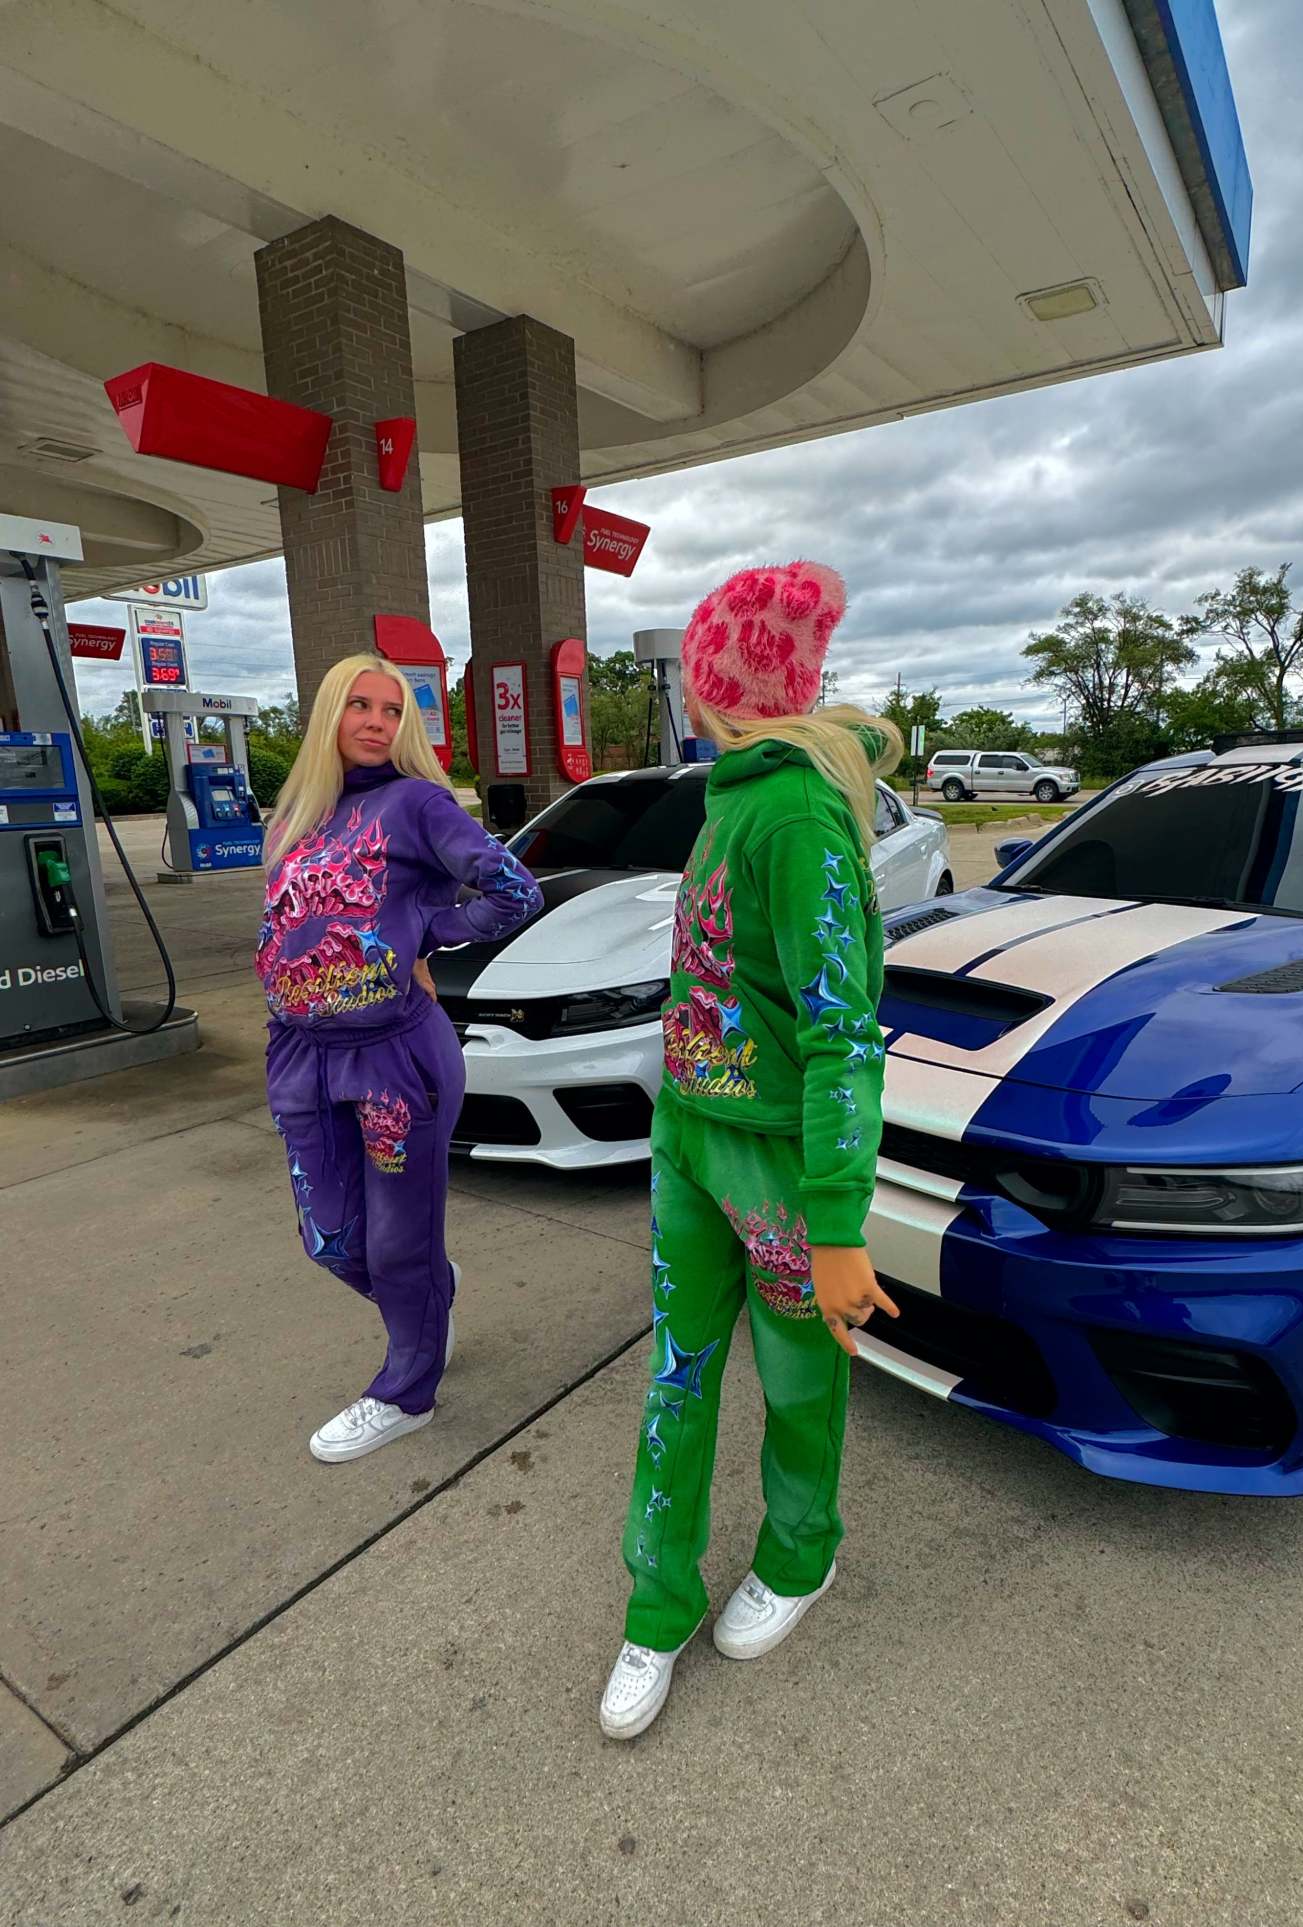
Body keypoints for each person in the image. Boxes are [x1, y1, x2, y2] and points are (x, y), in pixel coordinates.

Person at [600, 561, 903, 1740]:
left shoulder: (793, 814)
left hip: (776, 1166)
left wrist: (835, 1222)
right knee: (675, 1377)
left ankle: (797, 1552)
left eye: (694, 666)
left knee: (796, 1384)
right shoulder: (728, 799)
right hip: (688, 1141)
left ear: (712, 680)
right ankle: (655, 1602)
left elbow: (842, 1033)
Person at [256, 653, 542, 1463]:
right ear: (330, 714)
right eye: (361, 705)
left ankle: (406, 1391)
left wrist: (425, 931)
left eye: (392, 710)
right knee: (331, 1239)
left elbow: (515, 890)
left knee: (395, 1244)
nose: (377, 722)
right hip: (301, 1055)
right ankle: (427, 1289)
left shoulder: (416, 803)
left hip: (395, 1059)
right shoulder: (292, 818)